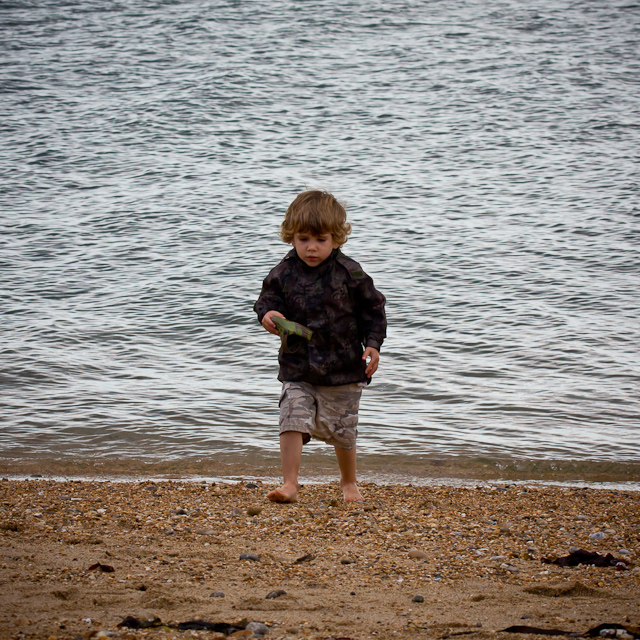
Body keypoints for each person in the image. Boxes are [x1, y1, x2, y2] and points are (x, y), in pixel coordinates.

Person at [254, 190, 387, 503]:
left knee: (343, 429)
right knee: (291, 416)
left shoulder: (350, 273)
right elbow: (266, 300)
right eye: (303, 239)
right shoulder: (284, 272)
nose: (311, 247)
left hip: (343, 366)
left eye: (320, 240)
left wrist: (373, 345)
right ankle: (290, 484)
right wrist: (268, 315)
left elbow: (374, 310)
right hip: (298, 364)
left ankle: (349, 484)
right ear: (291, 238)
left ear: (337, 239)